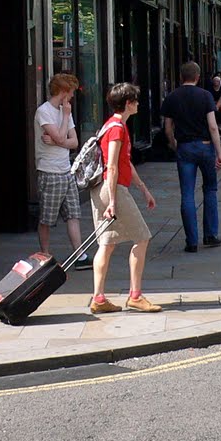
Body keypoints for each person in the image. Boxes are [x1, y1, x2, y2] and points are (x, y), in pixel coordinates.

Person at [88, 83, 161, 314]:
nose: (138, 104)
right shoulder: (118, 128)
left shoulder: (111, 125)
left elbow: (124, 162)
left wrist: (143, 189)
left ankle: (98, 298)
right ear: (128, 103)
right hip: (114, 189)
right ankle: (135, 296)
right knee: (142, 237)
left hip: (105, 188)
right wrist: (112, 201)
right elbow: (111, 165)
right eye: (136, 101)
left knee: (106, 245)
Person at [161, 61, 221, 253]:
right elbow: (213, 126)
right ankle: (210, 235)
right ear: (197, 77)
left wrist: (174, 144)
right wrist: (219, 152)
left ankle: (192, 241)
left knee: (187, 194)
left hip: (185, 148)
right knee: (210, 190)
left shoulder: (172, 97)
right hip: (205, 147)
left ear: (181, 77)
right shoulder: (205, 96)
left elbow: (168, 127)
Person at [34, 74, 87, 266]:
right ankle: (45, 254)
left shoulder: (66, 111)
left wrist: (59, 141)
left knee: (73, 213)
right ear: (63, 92)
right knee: (47, 218)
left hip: (66, 169)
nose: (72, 96)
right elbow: (62, 136)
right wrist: (64, 121)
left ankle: (79, 254)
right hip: (49, 170)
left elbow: (73, 142)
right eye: (71, 92)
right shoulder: (45, 112)